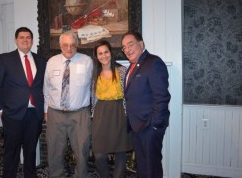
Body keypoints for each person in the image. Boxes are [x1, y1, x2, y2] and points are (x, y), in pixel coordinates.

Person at [0, 27, 46, 178]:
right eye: (22, 37)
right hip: (12, 114)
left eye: (28, 37)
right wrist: (0, 110)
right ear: (16, 40)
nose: (25, 40)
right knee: (12, 151)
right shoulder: (5, 59)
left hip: (34, 114)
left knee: (30, 151)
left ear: (32, 40)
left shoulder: (41, 61)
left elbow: (43, 86)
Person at [43, 30, 93, 178]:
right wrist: (46, 110)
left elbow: (94, 87)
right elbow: (46, 88)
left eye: (72, 45)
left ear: (77, 45)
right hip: (55, 114)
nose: (69, 48)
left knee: (82, 150)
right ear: (60, 45)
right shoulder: (51, 62)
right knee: (54, 150)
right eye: (65, 45)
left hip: (80, 114)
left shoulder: (87, 61)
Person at [121, 31, 171, 178]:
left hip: (149, 127)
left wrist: (155, 125)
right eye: (124, 47)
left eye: (131, 44)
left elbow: (162, 97)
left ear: (141, 44)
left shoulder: (153, 63)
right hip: (136, 126)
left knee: (152, 167)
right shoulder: (131, 67)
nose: (127, 49)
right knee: (142, 165)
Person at [91, 40, 133, 178]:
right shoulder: (94, 73)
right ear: (96, 56)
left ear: (111, 52)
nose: (104, 56)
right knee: (98, 153)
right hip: (100, 113)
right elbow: (92, 96)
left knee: (121, 150)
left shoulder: (122, 71)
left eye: (106, 52)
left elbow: (130, 94)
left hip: (119, 112)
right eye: (100, 53)